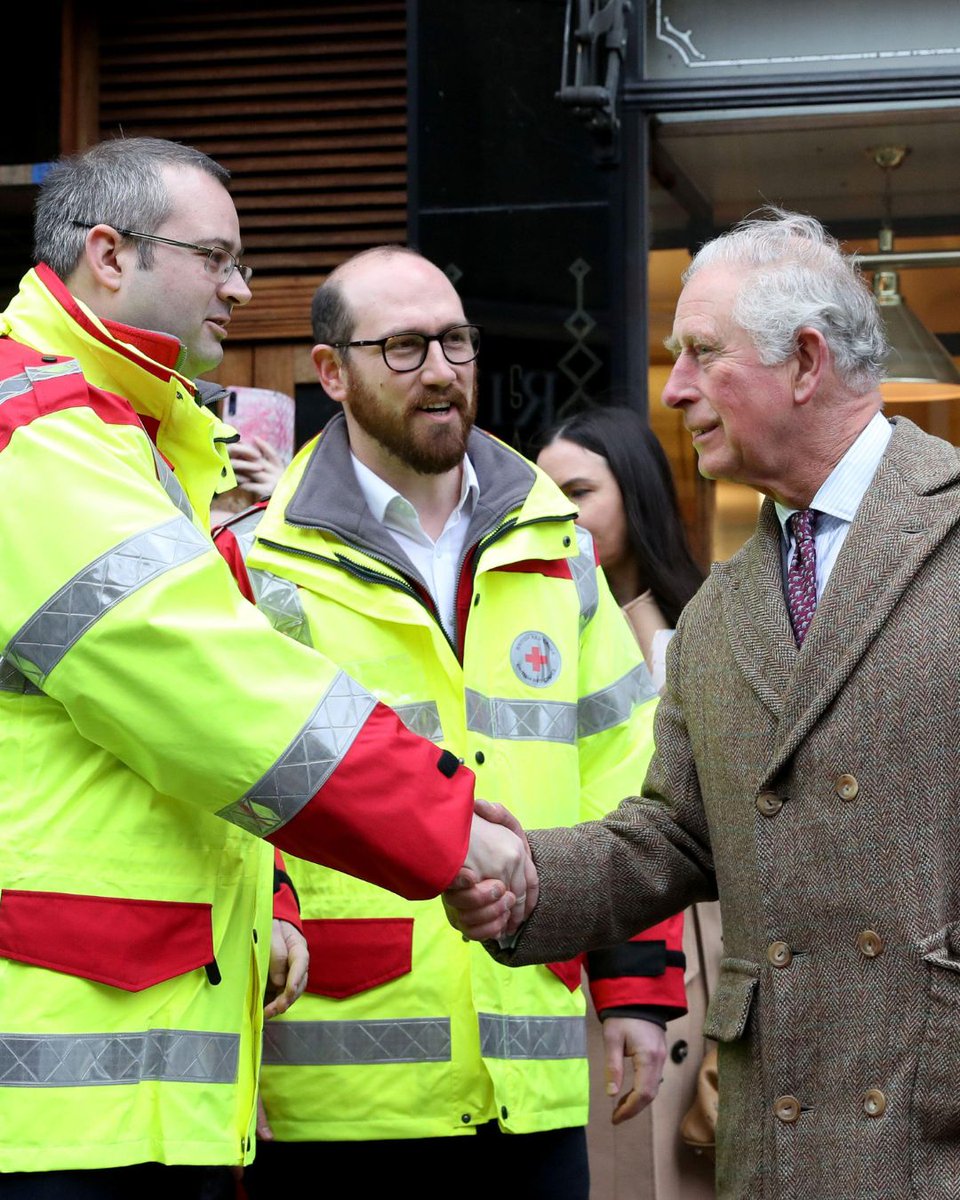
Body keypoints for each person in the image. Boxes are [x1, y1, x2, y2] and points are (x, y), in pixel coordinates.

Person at [0, 137, 526, 1196]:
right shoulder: (41, 438)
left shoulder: (126, 435)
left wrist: (276, 900)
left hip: (119, 1060)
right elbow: (214, 690)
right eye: (219, 258)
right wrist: (443, 824)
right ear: (111, 253)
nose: (242, 289)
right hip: (67, 1088)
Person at [447, 208, 960, 1199]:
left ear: (805, 361)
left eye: (701, 355)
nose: (674, 389)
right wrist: (520, 877)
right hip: (783, 1143)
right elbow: (673, 837)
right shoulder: (723, 609)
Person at [214, 245, 687, 1200]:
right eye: (402, 347)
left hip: (533, 1068)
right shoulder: (257, 560)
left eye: (455, 341)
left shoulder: (559, 550)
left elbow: (626, 774)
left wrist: (635, 983)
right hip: (338, 1086)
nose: (439, 369)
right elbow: (226, 787)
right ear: (329, 372)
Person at [538, 407, 719, 1200]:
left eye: (579, 489)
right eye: (545, 491)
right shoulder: (529, 632)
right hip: (581, 922)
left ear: (634, 494)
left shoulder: (705, 627)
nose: (560, 512)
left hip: (698, 942)